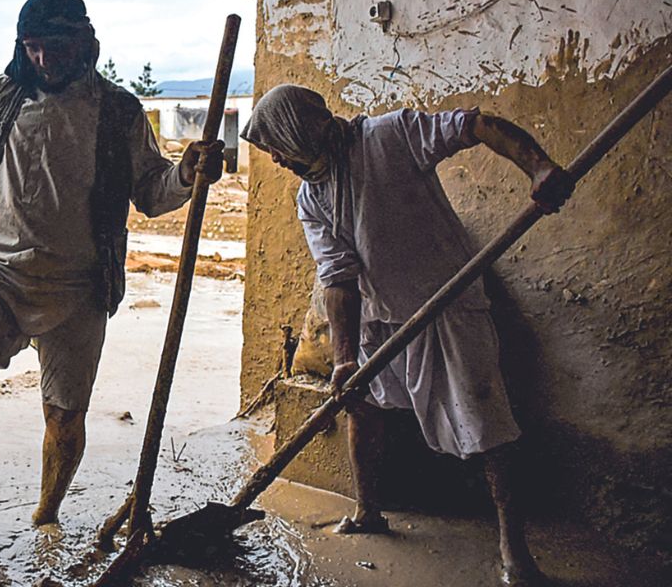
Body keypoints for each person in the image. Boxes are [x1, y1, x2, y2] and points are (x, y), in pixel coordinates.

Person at [243, 84, 574, 587]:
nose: (274, 156)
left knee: (487, 422)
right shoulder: (311, 195)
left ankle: (514, 550)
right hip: (379, 316)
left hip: (448, 304)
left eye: (276, 143)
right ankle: (368, 509)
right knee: (362, 406)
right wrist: (343, 359)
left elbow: (476, 125)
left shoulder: (389, 136)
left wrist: (539, 166)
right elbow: (337, 276)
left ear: (299, 129)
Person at [0, 0, 223, 535]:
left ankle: (47, 517)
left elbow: (152, 194)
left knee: (64, 416)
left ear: (84, 42)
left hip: (81, 284)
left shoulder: (118, 112)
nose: (43, 60)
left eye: (54, 47)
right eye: (32, 48)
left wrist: (187, 173)